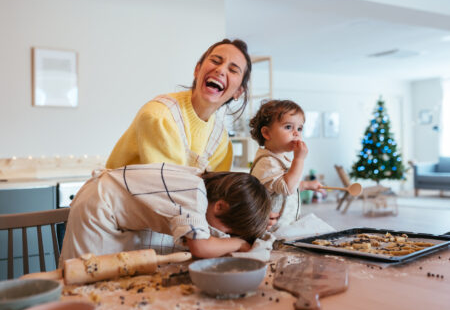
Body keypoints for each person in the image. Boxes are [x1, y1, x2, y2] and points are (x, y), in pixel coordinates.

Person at [60, 163, 271, 262]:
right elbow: (200, 246)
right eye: (230, 230)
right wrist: (239, 244)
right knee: (87, 274)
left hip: (110, 209)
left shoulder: (200, 184)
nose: (225, 235)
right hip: (98, 207)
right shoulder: (195, 193)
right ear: (220, 207)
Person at [106, 39, 252, 172]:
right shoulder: (159, 116)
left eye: (233, 70)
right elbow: (167, 189)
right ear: (197, 69)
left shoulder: (220, 141)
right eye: (215, 61)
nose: (220, 70)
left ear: (238, 91)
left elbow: (214, 195)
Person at [249, 100, 323, 229]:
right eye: (288, 127)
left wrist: (306, 185)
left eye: (299, 128)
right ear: (266, 133)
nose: (296, 133)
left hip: (285, 226)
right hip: (270, 228)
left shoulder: (281, 158)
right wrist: (299, 159)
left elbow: (285, 185)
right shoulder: (266, 162)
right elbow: (287, 188)